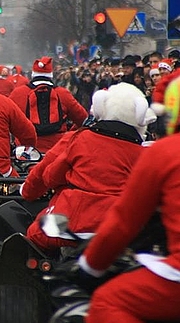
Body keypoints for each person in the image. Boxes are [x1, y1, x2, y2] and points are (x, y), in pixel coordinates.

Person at [77, 76, 180, 323]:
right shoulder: (142, 150)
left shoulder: (164, 152)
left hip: (172, 278)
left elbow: (124, 223)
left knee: (105, 304)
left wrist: (90, 267)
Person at [24, 82, 157, 256]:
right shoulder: (145, 153)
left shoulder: (80, 138)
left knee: (32, 237)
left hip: (69, 225)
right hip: (118, 231)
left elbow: (49, 176)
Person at [9, 57, 88, 153]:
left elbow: (8, 123)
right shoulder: (62, 93)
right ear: (51, 74)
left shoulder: (18, 93)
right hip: (58, 150)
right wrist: (70, 132)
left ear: (33, 74)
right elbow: (83, 119)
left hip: (25, 150)